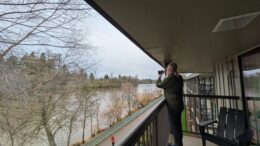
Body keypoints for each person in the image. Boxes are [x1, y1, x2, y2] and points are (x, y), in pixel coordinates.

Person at [156, 62, 184, 146]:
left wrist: (160, 76)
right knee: (178, 126)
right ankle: (179, 143)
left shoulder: (169, 79)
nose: (167, 71)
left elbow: (158, 84)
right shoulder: (179, 78)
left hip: (173, 106)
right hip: (179, 106)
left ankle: (178, 144)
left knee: (176, 127)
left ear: (170, 70)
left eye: (168, 69)